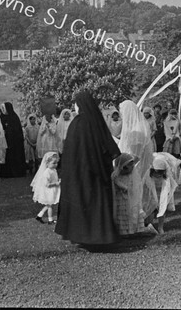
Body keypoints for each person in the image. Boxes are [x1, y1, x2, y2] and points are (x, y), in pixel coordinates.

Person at [55, 91, 121, 247]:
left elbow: (70, 151)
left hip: (79, 173)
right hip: (97, 173)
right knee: (96, 203)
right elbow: (109, 148)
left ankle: (81, 236)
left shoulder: (77, 123)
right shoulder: (96, 121)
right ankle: (100, 236)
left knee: (81, 203)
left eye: (76, 104)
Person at [118, 99, 157, 220]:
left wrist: (122, 167)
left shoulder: (138, 130)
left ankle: (137, 220)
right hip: (130, 166)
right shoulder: (134, 127)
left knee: (134, 193)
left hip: (134, 167)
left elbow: (136, 156)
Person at [111, 153, 154, 236]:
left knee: (133, 213)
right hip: (122, 199)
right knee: (124, 215)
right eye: (129, 167)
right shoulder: (116, 175)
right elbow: (117, 182)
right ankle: (125, 232)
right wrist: (124, 187)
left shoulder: (132, 175)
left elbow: (137, 185)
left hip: (132, 199)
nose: (131, 169)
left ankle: (136, 230)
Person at [147, 152, 180, 234]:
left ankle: (160, 227)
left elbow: (171, 186)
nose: (158, 175)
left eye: (160, 173)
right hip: (152, 196)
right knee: (151, 211)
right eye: (156, 172)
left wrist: (168, 195)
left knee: (162, 211)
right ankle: (149, 225)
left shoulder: (166, 178)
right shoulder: (149, 177)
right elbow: (146, 186)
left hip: (162, 196)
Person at [31, 151, 61, 225]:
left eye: (56, 163)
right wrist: (56, 183)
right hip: (49, 191)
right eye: (53, 163)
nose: (55, 165)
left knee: (48, 205)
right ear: (47, 163)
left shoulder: (53, 170)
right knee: (50, 206)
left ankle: (39, 216)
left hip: (53, 190)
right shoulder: (47, 172)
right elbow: (47, 184)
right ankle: (50, 220)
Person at [0, 102, 28, 178]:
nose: (3, 110)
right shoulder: (1, 117)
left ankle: (17, 172)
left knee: (15, 156)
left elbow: (17, 131)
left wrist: (9, 132)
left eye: (4, 108)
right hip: (5, 141)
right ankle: (6, 173)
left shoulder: (14, 118)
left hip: (14, 142)